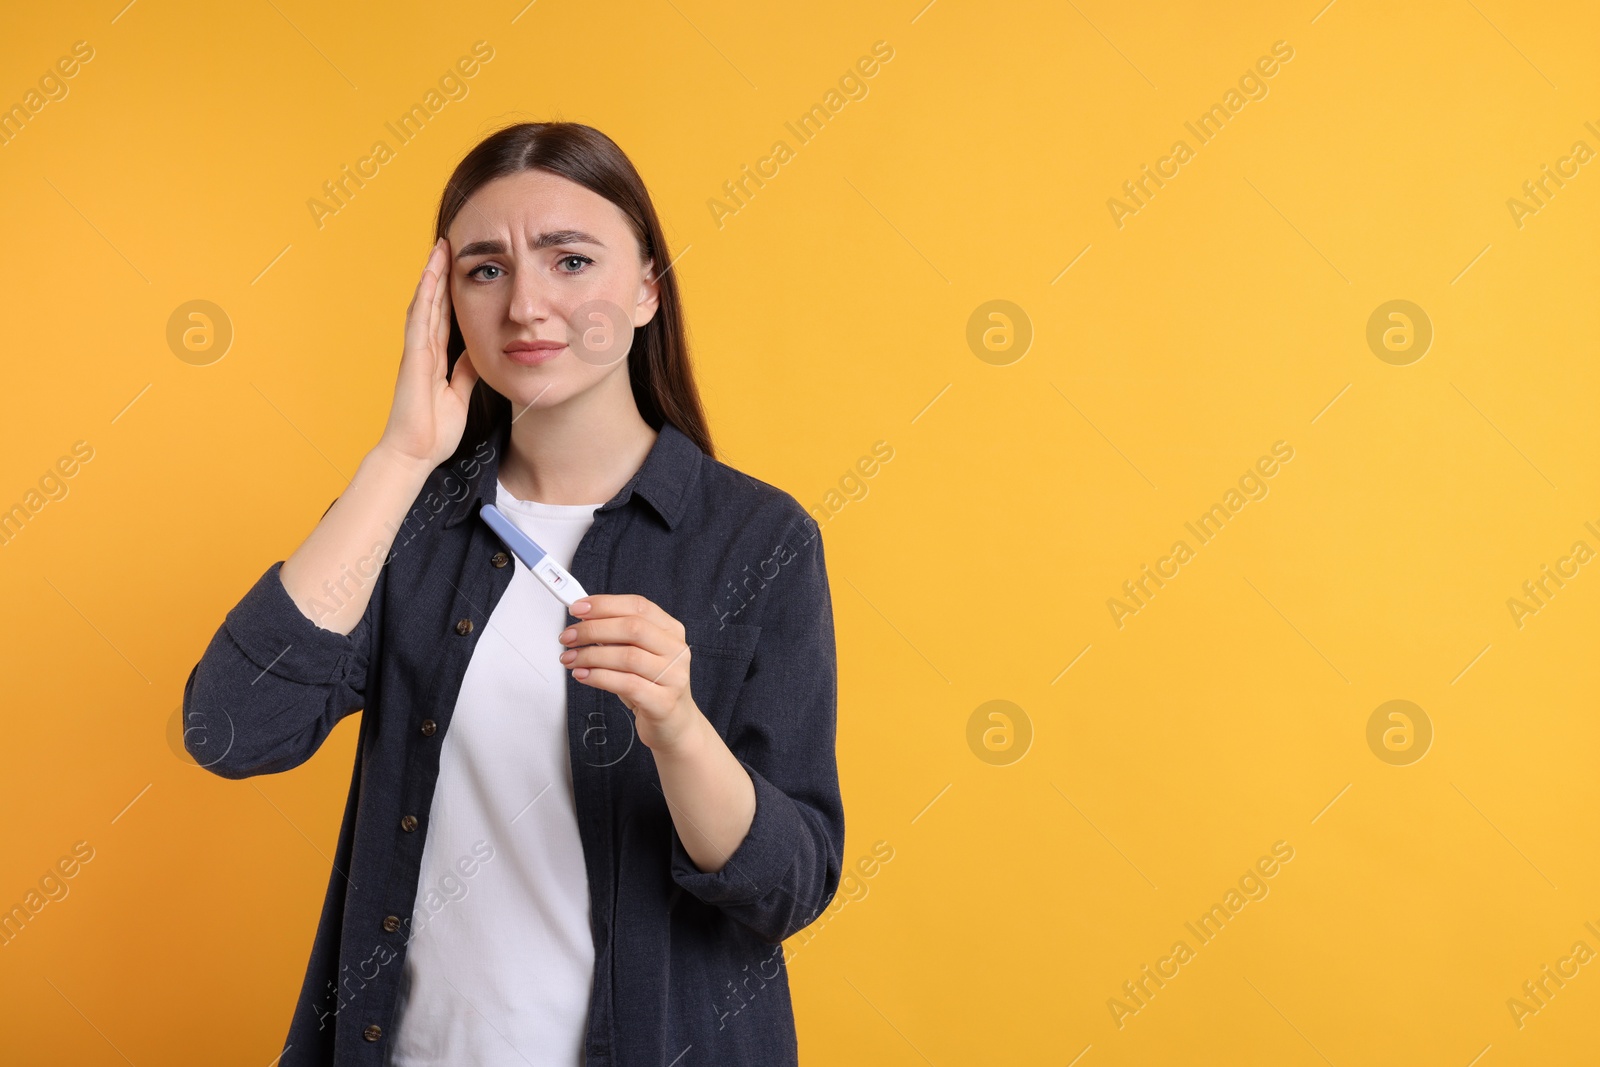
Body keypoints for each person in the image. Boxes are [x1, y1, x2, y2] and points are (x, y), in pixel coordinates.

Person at [181, 121, 844, 1066]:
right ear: (443, 301)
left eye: (571, 260)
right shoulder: (405, 516)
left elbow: (789, 888)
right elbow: (231, 730)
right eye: (484, 270)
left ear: (649, 287)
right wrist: (402, 456)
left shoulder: (760, 538)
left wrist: (681, 729)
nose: (528, 305)